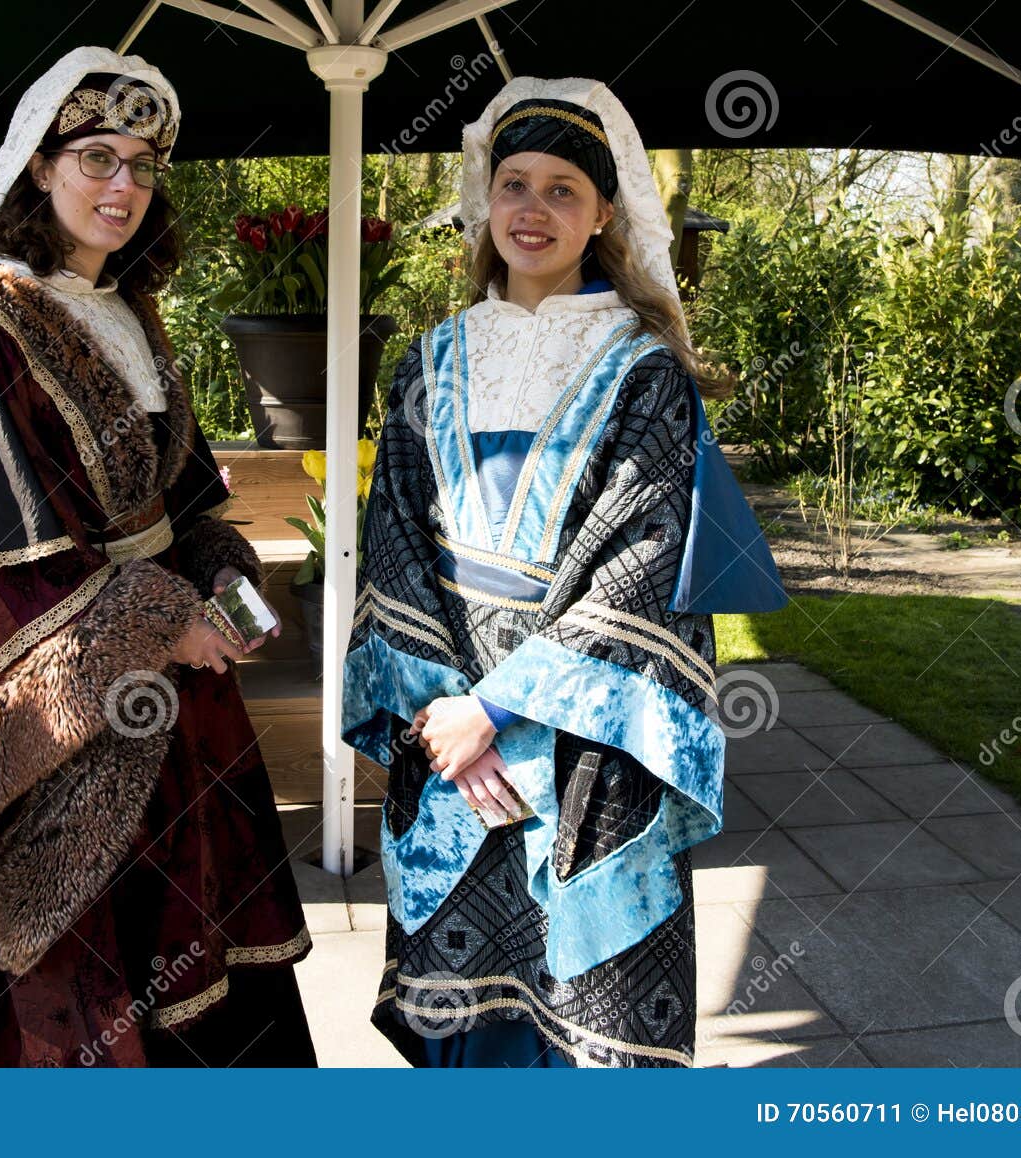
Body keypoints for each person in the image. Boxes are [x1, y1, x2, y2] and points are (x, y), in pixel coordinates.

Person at [0, 45, 317, 1067]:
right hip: (68, 730)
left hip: (179, 698)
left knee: (194, 954)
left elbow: (184, 498)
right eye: (96, 158)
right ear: (36, 164)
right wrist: (164, 622)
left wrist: (221, 577)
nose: (123, 187)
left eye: (144, 166)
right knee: (86, 979)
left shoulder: (123, 312)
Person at [342, 76, 786, 1068]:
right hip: (447, 739)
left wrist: (494, 712)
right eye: (513, 184)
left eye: (560, 191)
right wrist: (444, 717)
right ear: (483, 201)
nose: (530, 210)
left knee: (592, 1024)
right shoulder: (425, 362)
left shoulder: (645, 372)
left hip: (589, 748)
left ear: (602, 217)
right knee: (463, 1011)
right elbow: (397, 550)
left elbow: (640, 563)